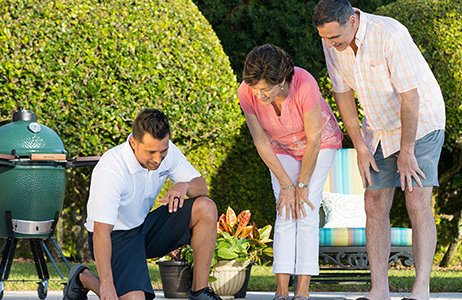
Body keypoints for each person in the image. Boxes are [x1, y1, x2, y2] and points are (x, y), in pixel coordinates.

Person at [313, 1, 446, 300]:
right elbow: (342, 94)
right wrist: (360, 145)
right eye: (326, 39)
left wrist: (407, 150)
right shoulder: (332, 42)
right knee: (373, 202)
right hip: (379, 125)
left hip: (421, 122)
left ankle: (420, 289)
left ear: (352, 20)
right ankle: (379, 291)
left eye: (335, 38)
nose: (332, 45)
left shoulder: (389, 33)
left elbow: (410, 97)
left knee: (416, 199)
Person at [63, 109, 222, 300]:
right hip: (115, 237)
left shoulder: (167, 152)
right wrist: (106, 284)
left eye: (162, 151)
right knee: (133, 299)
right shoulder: (111, 168)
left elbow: (201, 187)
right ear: (133, 142)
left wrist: (184, 185)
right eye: (150, 152)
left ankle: (199, 292)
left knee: (206, 207)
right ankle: (84, 278)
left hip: (144, 227)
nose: (157, 159)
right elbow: (101, 232)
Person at [238, 44, 343, 300]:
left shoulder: (304, 83)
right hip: (281, 146)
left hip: (319, 143)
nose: (259, 95)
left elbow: (315, 137)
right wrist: (287, 185)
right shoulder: (246, 91)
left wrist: (302, 185)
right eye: (255, 89)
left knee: (305, 209)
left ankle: (303, 292)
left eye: (265, 89)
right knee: (285, 211)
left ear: (282, 81)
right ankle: (281, 291)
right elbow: (260, 141)